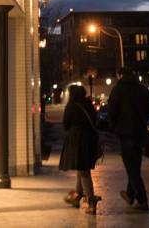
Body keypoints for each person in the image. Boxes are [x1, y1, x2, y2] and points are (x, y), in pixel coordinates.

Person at [107, 67, 149, 210]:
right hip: (140, 133)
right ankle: (130, 194)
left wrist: (113, 126)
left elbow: (112, 111)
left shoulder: (118, 90)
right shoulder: (143, 90)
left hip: (125, 134)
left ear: (120, 75)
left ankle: (142, 199)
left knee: (132, 169)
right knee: (135, 166)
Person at [59, 84, 102, 214]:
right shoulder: (89, 105)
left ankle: (91, 201)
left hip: (77, 141)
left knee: (83, 171)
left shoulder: (71, 107)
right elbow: (95, 121)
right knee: (81, 168)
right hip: (89, 141)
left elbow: (66, 125)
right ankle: (77, 197)